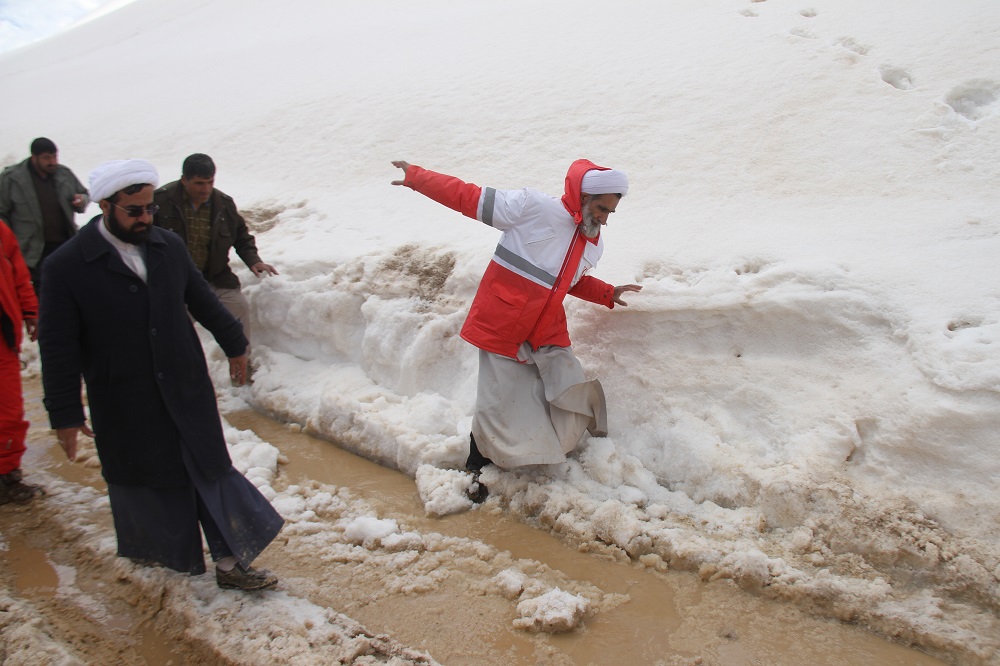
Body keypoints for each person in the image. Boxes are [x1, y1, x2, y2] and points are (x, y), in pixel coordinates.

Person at [38, 159, 283, 590]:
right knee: (152, 476)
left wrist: (236, 345)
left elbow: (203, 299)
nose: (146, 218)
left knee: (209, 468)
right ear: (106, 206)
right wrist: (65, 413)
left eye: (150, 208)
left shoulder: (167, 246)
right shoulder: (67, 266)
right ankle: (163, 562)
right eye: (135, 211)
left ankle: (230, 562)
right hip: (125, 396)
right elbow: (57, 346)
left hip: (185, 383)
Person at [391, 159, 641, 496]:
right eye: (600, 208)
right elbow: (470, 197)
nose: (604, 219)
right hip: (503, 322)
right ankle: (476, 466)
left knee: (568, 381)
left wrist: (608, 293)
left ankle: (560, 449)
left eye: (610, 212)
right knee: (497, 399)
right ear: (583, 197)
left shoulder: (592, 242)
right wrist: (418, 178)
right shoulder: (531, 207)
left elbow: (572, 282)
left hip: (546, 327)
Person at [153, 154, 277, 357]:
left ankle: (242, 369)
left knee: (239, 310)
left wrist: (254, 261)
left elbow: (241, 236)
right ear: (184, 180)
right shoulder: (161, 201)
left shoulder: (223, 204)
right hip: (175, 282)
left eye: (210, 182)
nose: (206, 189)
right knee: (176, 328)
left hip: (214, 277)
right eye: (199, 183)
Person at [0, 137, 89, 293]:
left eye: (55, 156)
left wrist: (81, 200)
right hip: (32, 251)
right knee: (45, 291)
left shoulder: (64, 174)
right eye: (47, 158)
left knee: (72, 287)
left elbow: (84, 194)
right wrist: (8, 242)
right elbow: (2, 212)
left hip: (65, 245)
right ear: (34, 157)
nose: (52, 161)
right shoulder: (12, 179)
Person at [0, 220, 41, 505]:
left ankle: (6, 476)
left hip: (2, 340)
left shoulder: (2, 231)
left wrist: (29, 310)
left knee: (9, 411)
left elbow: (18, 275)